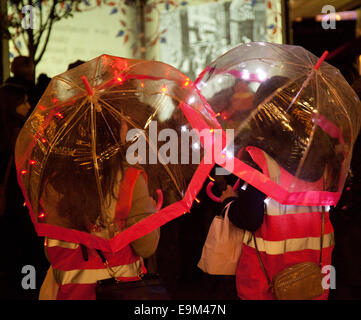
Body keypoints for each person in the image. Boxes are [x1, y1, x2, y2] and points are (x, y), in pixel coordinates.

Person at [218, 76, 340, 300]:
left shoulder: (260, 158)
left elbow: (249, 218)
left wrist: (229, 202)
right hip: (315, 279)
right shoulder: (325, 157)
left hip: (266, 283)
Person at [38, 116, 160, 300]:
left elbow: (51, 251)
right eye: (122, 122)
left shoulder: (53, 181)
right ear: (111, 133)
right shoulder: (130, 178)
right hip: (120, 291)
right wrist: (150, 211)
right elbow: (146, 247)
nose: (126, 126)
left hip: (67, 292)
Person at [0, 83, 47, 299]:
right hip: (17, 208)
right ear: (11, 106)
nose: (28, 106)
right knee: (25, 260)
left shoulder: (14, 134)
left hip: (10, 211)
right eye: (23, 102)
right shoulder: (20, 137)